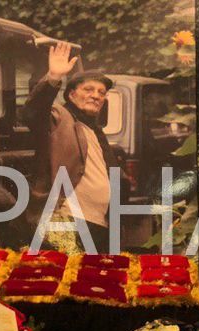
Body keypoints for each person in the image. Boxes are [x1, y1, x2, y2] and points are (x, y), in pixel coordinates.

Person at [22, 42, 125, 253]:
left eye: (101, 92)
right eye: (88, 89)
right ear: (71, 95)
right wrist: (54, 76)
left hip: (98, 223)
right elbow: (33, 112)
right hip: (67, 220)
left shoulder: (95, 131)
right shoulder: (59, 117)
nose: (96, 95)